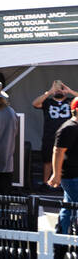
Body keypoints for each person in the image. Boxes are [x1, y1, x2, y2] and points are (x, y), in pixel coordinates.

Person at [34, 81, 76, 190]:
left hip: (67, 136)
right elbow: (35, 104)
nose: (58, 91)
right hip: (49, 135)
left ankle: (62, 183)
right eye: (56, 89)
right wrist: (48, 93)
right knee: (47, 160)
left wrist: (70, 91)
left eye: (60, 89)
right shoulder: (48, 102)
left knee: (65, 160)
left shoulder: (70, 101)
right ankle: (46, 183)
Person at [48, 97, 78, 235]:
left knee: (68, 206)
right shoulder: (69, 128)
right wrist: (56, 174)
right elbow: (58, 151)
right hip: (71, 176)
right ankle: (62, 237)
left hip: (73, 176)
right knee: (71, 205)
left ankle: (61, 237)